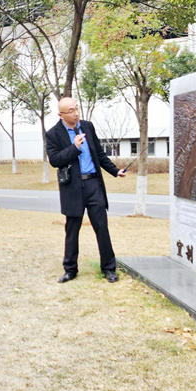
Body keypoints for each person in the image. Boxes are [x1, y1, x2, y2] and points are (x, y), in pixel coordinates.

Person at [45, 97, 126, 284]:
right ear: (61, 115)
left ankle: (109, 268)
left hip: (93, 185)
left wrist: (115, 171)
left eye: (77, 108)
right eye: (71, 110)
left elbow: (99, 154)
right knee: (72, 230)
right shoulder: (53, 134)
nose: (76, 113)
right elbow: (55, 160)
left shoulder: (87, 127)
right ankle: (70, 269)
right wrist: (75, 147)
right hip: (72, 188)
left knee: (102, 227)